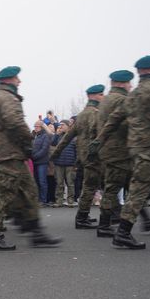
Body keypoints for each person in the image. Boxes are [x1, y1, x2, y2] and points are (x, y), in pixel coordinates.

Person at [92, 54, 150, 248]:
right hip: (149, 148)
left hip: (139, 148)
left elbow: (115, 118)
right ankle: (123, 232)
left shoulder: (134, 94)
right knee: (139, 190)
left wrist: (99, 140)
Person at [0, 66, 61, 250]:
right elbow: (15, 122)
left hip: (2, 155)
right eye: (17, 79)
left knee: (29, 192)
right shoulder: (8, 98)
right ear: (9, 80)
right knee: (3, 195)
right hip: (10, 155)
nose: (19, 82)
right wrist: (28, 143)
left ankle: (36, 232)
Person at [51, 85, 105, 229]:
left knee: (91, 185)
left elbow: (67, 137)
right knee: (91, 186)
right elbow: (99, 135)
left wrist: (55, 154)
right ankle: (82, 217)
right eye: (101, 95)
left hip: (84, 157)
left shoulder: (81, 115)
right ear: (92, 96)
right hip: (94, 156)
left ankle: (84, 215)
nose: (103, 97)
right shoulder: (95, 113)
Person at [50, 120, 77, 207]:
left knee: (70, 183)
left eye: (62, 125)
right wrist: (56, 134)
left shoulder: (73, 136)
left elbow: (77, 151)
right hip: (59, 163)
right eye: (59, 125)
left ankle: (70, 201)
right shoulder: (58, 136)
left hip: (70, 164)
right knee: (59, 183)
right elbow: (52, 143)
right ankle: (59, 201)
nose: (60, 127)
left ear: (68, 126)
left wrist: (76, 164)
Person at [32, 120, 51, 205]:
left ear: (41, 127)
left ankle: (43, 200)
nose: (35, 128)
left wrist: (35, 156)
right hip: (34, 162)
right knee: (35, 181)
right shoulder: (34, 136)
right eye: (34, 126)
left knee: (42, 181)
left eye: (37, 126)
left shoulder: (45, 136)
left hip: (42, 162)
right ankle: (37, 199)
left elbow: (44, 149)